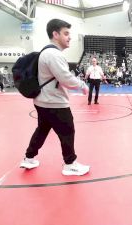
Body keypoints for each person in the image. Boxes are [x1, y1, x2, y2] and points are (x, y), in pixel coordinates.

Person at [19, 18, 91, 176]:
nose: (69, 37)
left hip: (43, 101)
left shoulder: (47, 52)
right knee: (67, 132)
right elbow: (65, 78)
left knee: (42, 130)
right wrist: (82, 85)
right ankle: (70, 164)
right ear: (55, 34)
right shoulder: (53, 54)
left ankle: (29, 158)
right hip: (54, 102)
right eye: (66, 33)